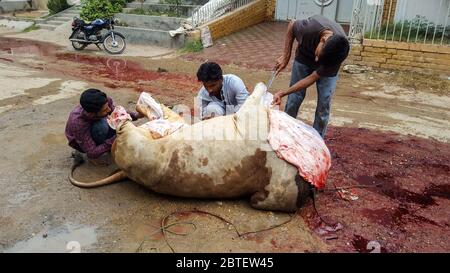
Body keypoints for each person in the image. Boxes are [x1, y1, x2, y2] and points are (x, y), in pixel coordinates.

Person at [272, 15, 350, 138]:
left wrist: (283, 92)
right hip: (303, 57)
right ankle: (285, 134)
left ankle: (318, 139)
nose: (316, 59)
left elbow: (313, 77)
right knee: (294, 98)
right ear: (323, 39)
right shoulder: (310, 28)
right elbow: (292, 25)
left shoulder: (337, 53)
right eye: (318, 54)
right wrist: (286, 56)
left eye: (319, 58)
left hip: (328, 63)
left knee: (324, 102)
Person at [65, 89, 142, 165]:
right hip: (81, 142)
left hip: (92, 128)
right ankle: (97, 153)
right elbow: (92, 152)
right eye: (105, 110)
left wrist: (136, 115)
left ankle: (107, 145)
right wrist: (116, 137)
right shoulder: (78, 123)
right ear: (92, 114)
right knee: (103, 125)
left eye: (108, 106)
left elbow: (117, 113)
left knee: (113, 119)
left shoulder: (104, 102)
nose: (109, 109)